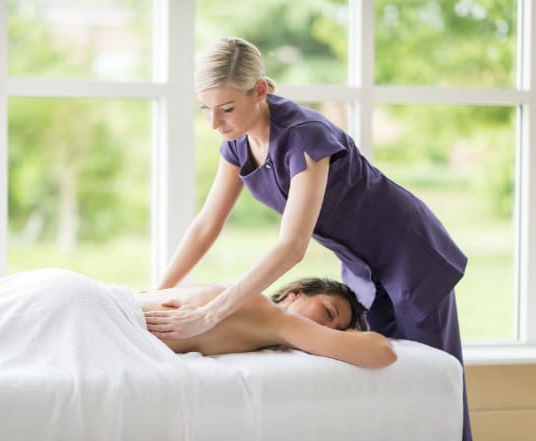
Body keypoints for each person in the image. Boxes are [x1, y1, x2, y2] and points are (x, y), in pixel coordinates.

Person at [143, 37, 471, 441]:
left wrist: (211, 314)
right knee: (380, 384)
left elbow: (292, 246)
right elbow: (206, 225)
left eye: (227, 109)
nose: (215, 123)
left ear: (260, 90)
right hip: (359, 266)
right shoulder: (238, 142)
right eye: (206, 110)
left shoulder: (304, 136)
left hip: (411, 254)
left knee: (432, 382)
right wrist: (151, 296)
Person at [140, 275, 397, 368]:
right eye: (328, 313)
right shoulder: (273, 315)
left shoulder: (243, 303)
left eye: (340, 330)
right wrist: (354, 336)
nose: (328, 331)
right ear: (295, 292)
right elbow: (383, 353)